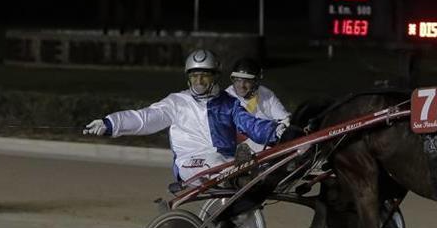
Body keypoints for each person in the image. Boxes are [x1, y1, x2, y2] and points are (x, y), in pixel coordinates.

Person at [83, 49, 286, 184]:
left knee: (232, 162)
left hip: (225, 162)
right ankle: (237, 174)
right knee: (219, 163)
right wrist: (109, 123)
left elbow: (251, 125)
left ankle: (238, 178)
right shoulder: (176, 102)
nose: (198, 81)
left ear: (214, 76)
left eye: (204, 76)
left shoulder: (229, 102)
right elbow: (144, 118)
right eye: (194, 76)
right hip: (190, 164)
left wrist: (278, 132)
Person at [225, 57, 290, 153]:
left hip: (270, 143)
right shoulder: (227, 97)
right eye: (238, 80)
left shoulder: (266, 94)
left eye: (247, 81)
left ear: (256, 81)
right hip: (242, 148)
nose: (241, 85)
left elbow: (285, 119)